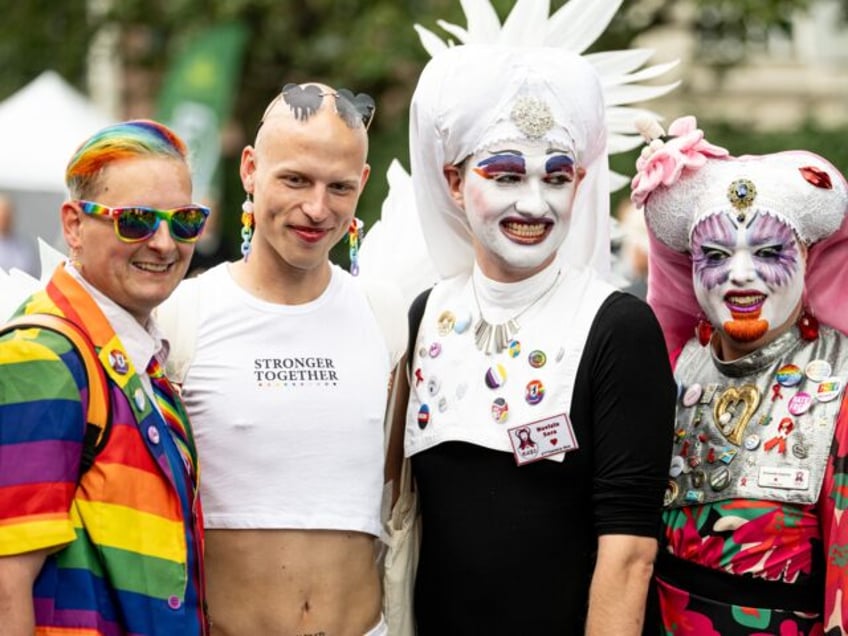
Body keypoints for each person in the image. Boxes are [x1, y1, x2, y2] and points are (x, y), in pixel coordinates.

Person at [381, 18, 678, 635]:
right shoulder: (427, 313)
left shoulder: (617, 328)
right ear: (455, 182)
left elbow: (628, 557)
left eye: (557, 177)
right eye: (507, 174)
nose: (534, 205)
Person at [155, 83, 406, 635]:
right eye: (295, 179)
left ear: (362, 184)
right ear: (250, 169)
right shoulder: (181, 317)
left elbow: (394, 495)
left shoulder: (385, 316)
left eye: (339, 187)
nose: (317, 208)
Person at [631, 114, 848, 633]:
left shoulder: (842, 383)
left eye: (770, 252)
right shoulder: (671, 372)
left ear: (807, 259)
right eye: (716, 255)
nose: (741, 275)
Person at [0, 120, 210, 634]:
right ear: (73, 224)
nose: (163, 243)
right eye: (135, 220)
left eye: (183, 221)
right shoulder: (41, 356)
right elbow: (5, 590)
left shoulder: (136, 353)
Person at [0, 193, 38, 276]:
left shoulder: (24, 246)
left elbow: (30, 270)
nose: (4, 218)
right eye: (2, 213)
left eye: (7, 214)